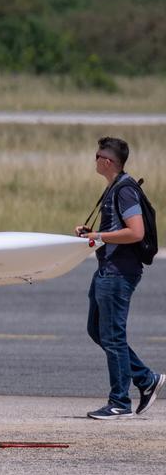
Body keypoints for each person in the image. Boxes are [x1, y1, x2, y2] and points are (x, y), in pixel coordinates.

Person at [76, 136, 161, 419]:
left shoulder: (124, 190)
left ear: (108, 161)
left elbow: (135, 232)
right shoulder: (114, 187)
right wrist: (91, 232)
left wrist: (98, 235)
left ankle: (120, 402)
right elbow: (118, 227)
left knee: (112, 336)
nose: (95, 159)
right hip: (107, 270)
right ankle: (147, 379)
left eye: (97, 155)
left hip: (119, 273)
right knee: (98, 330)